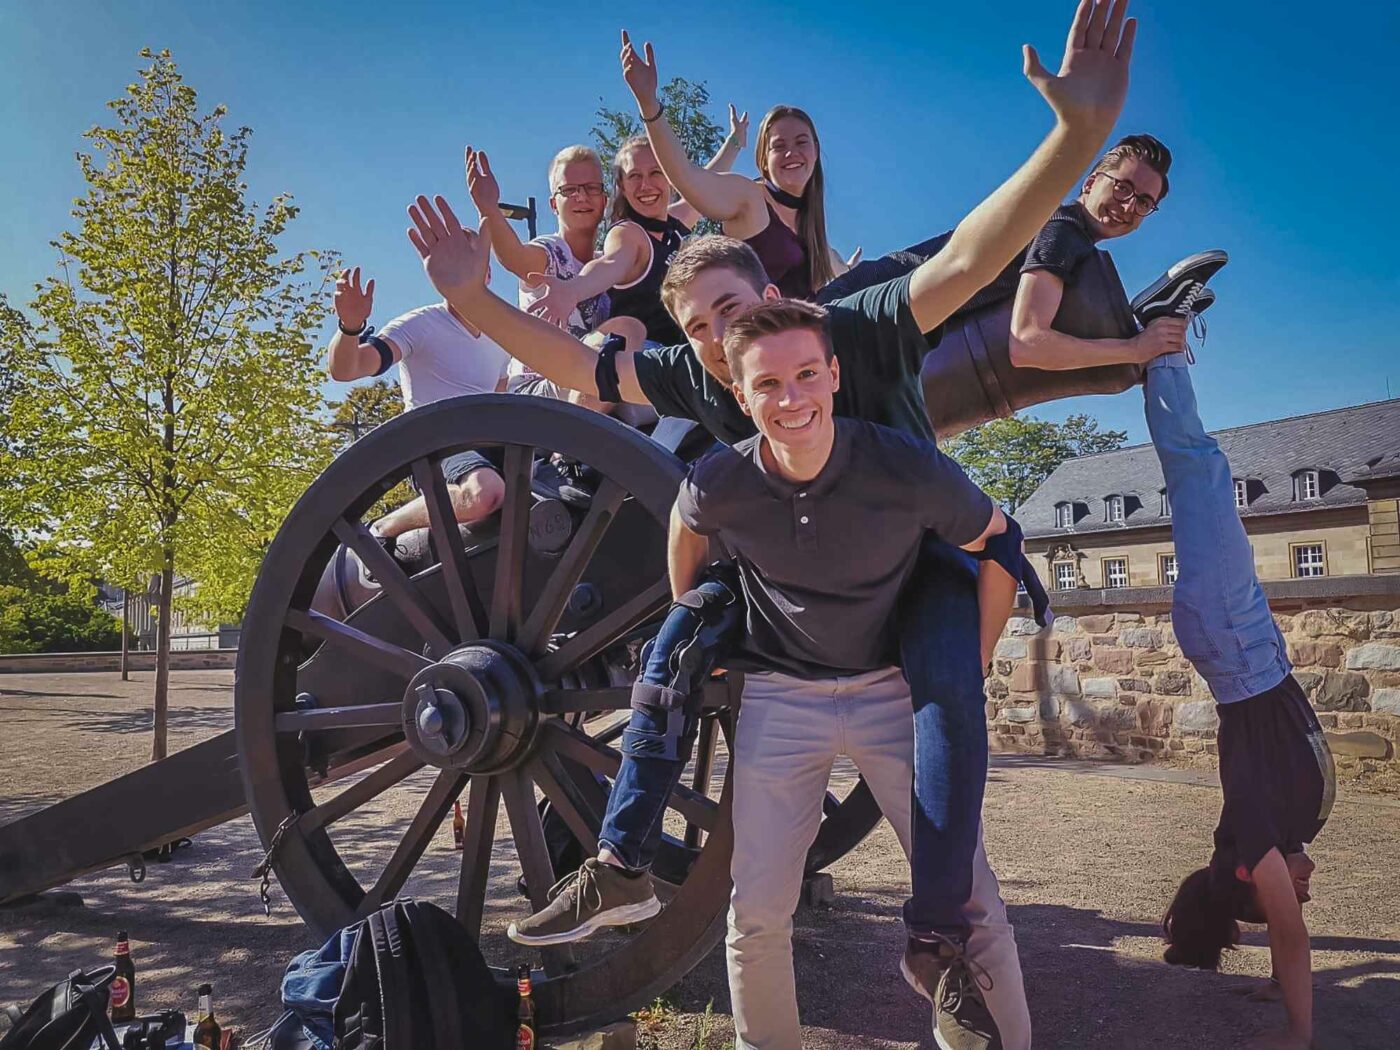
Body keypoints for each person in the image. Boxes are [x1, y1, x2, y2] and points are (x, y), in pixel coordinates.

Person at [407, 4, 1138, 1042]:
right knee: (754, 902)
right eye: (695, 325)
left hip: (906, 598)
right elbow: (582, 372)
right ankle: (625, 869)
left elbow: (971, 262)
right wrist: (471, 302)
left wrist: (1074, 137)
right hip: (792, 647)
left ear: (774, 301)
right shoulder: (706, 376)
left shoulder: (843, 330)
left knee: (964, 883)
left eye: (727, 315)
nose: (712, 342)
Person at [677, 301, 1017, 1048]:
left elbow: (999, 543)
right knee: (758, 908)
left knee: (973, 897)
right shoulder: (723, 478)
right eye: (767, 385)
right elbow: (687, 520)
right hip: (780, 693)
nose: (791, 398)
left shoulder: (902, 466)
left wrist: (975, 657)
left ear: (834, 375)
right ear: (741, 396)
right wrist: (695, 615)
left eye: (806, 375)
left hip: (890, 689)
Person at [1149, 296, 1335, 1050]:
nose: (1308, 886)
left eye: (1294, 894)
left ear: (1255, 886)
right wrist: (1270, 981)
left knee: (1200, 468)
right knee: (1203, 472)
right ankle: (1157, 347)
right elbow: (1282, 934)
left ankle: (1159, 338)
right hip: (1247, 649)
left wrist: (1297, 1030)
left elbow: (1290, 938)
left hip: (1233, 643)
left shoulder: (1255, 836)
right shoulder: (1271, 836)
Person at [818, 133, 1225, 372]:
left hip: (869, 323)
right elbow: (1028, 343)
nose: (1128, 206)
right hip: (848, 317)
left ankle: (1155, 317)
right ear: (1089, 183)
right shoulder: (1061, 229)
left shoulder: (1072, 240)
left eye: (1143, 202)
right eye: (1122, 187)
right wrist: (1134, 350)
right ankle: (1150, 321)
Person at [618, 32, 858, 300]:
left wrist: (852, 275)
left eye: (801, 142)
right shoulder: (748, 199)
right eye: (778, 146)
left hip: (805, 333)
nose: (791, 153)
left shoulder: (814, 232)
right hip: (752, 335)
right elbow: (685, 176)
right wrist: (649, 103)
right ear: (763, 160)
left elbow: (840, 271)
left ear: (815, 150)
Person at [519, 112, 747, 348]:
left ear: (671, 177)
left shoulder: (673, 225)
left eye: (655, 173)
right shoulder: (628, 234)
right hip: (643, 360)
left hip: (683, 353)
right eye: (634, 176)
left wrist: (736, 140)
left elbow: (706, 182)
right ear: (622, 187)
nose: (646, 185)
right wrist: (573, 291)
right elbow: (609, 264)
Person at [464, 143, 649, 417]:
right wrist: (489, 209)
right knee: (624, 331)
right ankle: (566, 456)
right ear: (554, 203)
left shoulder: (607, 266)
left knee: (665, 380)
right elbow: (516, 258)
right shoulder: (551, 252)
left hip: (590, 385)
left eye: (591, 188)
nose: (581, 197)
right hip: (540, 388)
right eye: (569, 190)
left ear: (604, 199)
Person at [325, 266, 508, 539]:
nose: (459, 270)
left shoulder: (503, 336)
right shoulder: (420, 325)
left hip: (486, 443)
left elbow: (501, 401)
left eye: (468, 262)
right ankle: (385, 526)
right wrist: (350, 327)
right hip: (435, 444)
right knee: (484, 493)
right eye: (449, 264)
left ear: (488, 274)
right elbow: (347, 369)